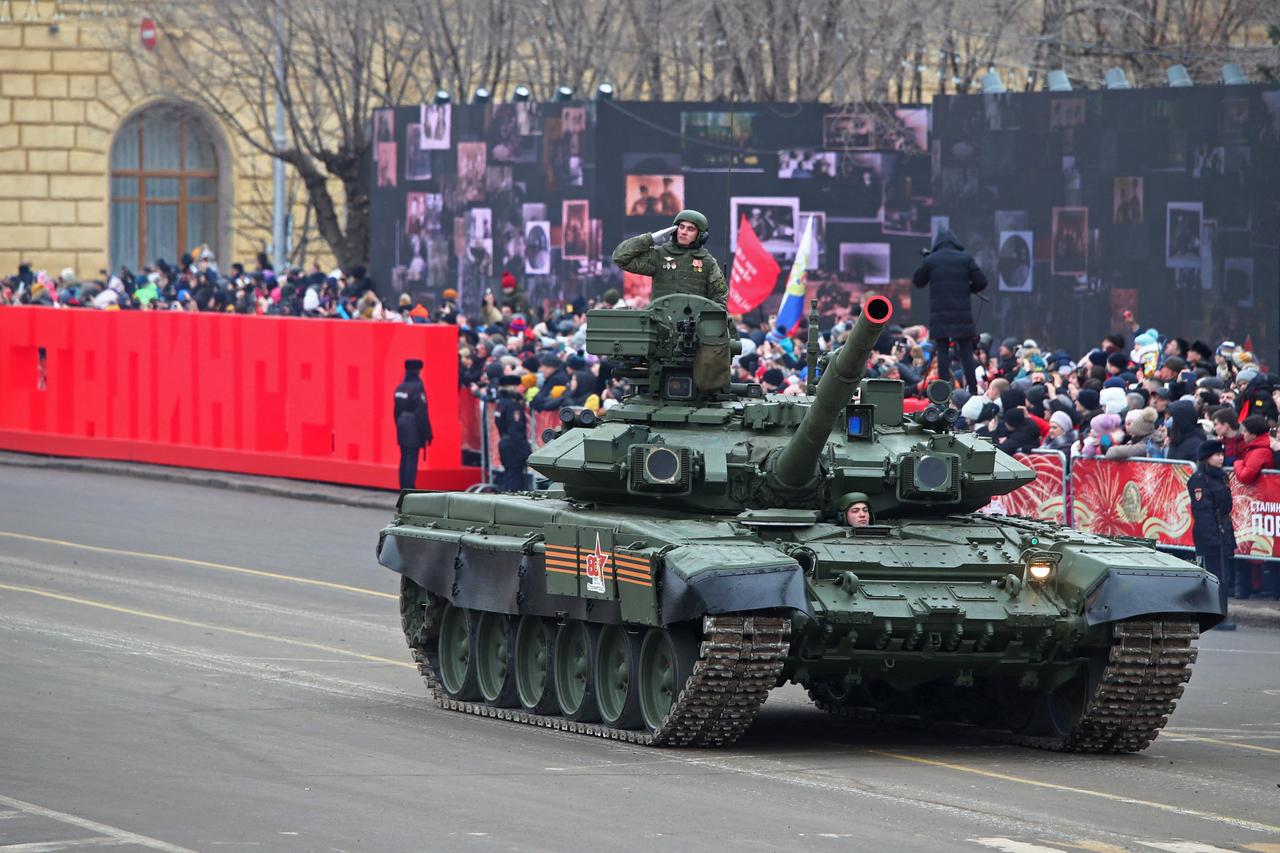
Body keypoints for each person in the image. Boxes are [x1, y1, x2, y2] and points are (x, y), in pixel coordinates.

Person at [612, 209, 730, 390]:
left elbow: (719, 298)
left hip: (693, 333)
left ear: (701, 235)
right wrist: (650, 239)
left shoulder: (707, 262)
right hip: (660, 329)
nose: (683, 231)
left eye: (690, 229)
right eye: (681, 227)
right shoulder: (660, 255)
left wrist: (708, 329)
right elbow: (620, 257)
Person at [911, 228, 988, 394]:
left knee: (943, 353)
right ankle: (973, 390)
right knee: (966, 353)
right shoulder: (965, 258)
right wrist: (968, 289)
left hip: (940, 316)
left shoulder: (932, 260)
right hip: (962, 314)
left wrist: (926, 260)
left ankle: (945, 392)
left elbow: (918, 281)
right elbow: (982, 282)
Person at [1187, 439, 1236, 630]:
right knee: (1215, 577)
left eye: (1221, 454)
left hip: (1224, 530)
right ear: (1207, 457)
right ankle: (1215, 617)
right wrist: (1212, 539)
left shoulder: (1220, 476)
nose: (1220, 458)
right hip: (1211, 534)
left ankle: (1222, 613)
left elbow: (1226, 506)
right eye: (1216, 455)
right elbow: (1203, 512)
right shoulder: (1200, 480)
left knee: (1225, 577)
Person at [394, 358, 433, 490]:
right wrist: (427, 433)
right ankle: (409, 486)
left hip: (401, 422)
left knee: (404, 456)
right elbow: (421, 411)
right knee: (411, 457)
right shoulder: (417, 387)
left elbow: (396, 410)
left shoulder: (400, 387)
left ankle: (403, 485)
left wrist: (398, 425)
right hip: (413, 424)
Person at [494, 374, 531, 492]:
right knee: (515, 478)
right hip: (514, 445)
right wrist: (525, 450)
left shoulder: (500, 403)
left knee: (509, 474)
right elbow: (515, 428)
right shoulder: (512, 405)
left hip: (505, 442)